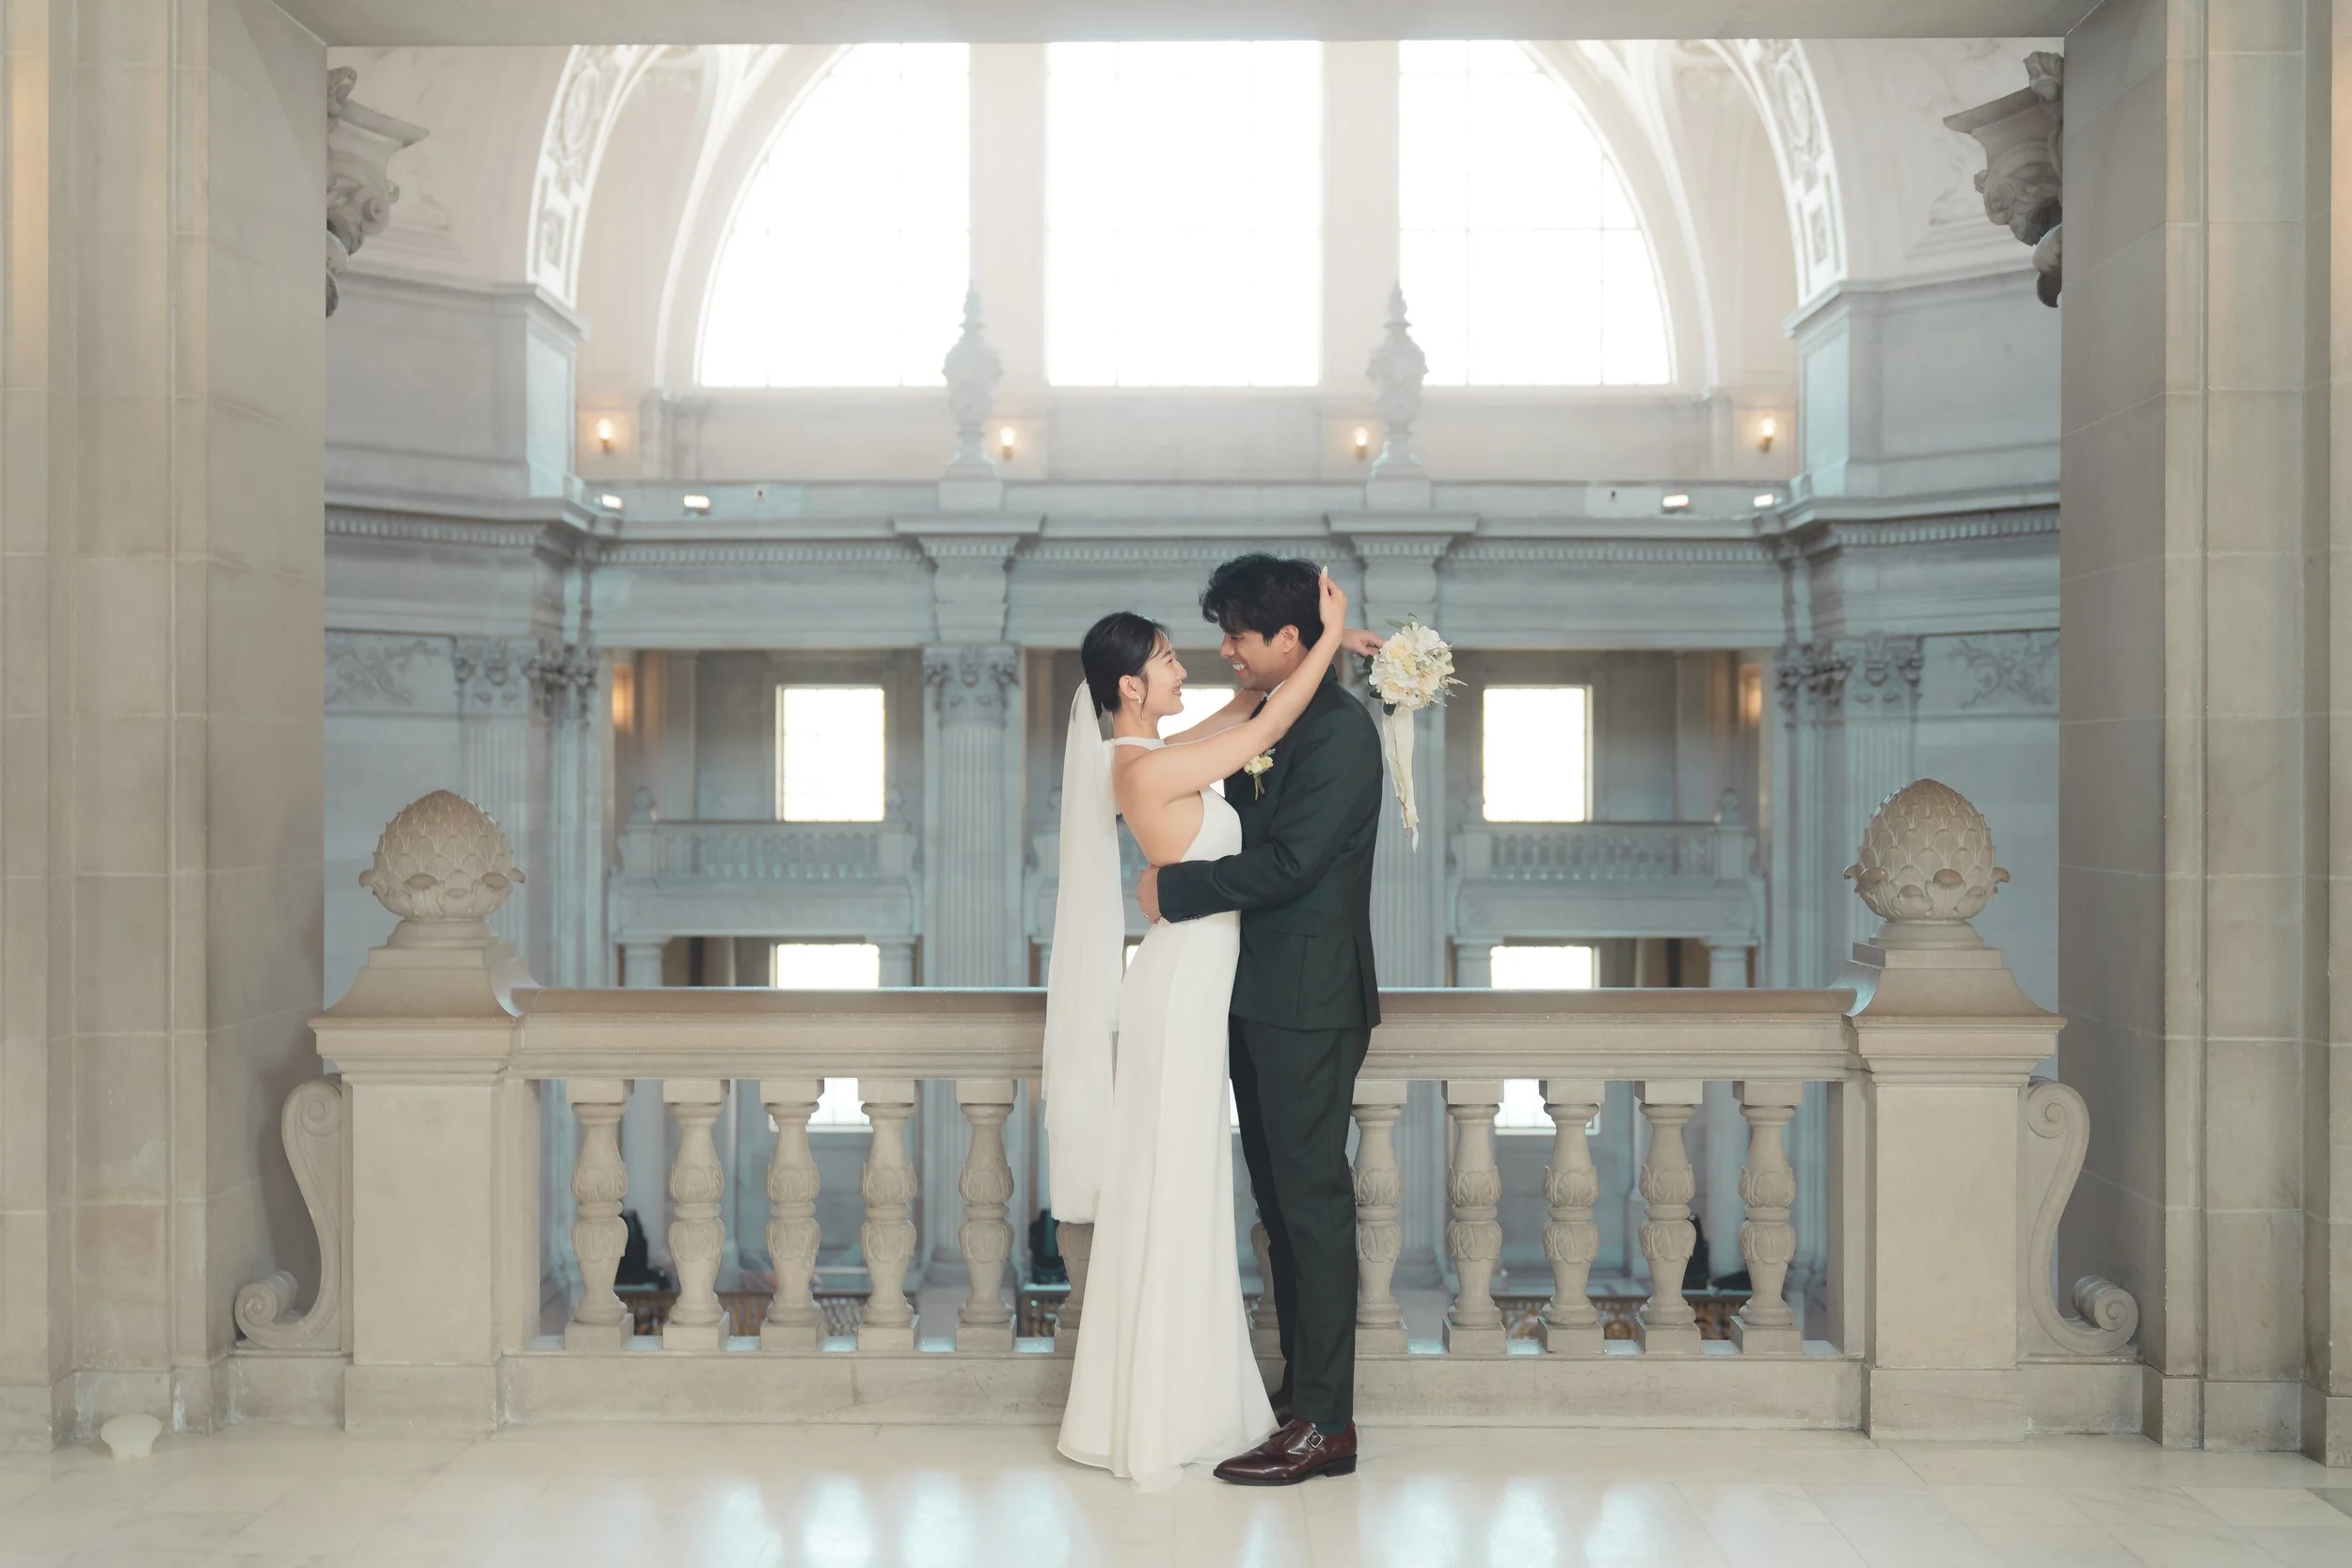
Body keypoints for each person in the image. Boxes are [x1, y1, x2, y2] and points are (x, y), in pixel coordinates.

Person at [1050, 567, 1372, 1492]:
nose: (1205, 658)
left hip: (1263, 988)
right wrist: (1317, 647)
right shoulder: (1146, 759)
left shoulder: (1185, 740)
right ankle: (1236, 1398)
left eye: (1234, 634)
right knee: (1214, 1188)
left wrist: (1323, 651)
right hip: (1201, 983)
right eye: (1171, 657)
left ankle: (1305, 1413)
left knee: (1272, 1198)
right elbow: (1260, 726)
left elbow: (1267, 772)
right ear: (1128, 688)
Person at [1138, 553, 1386, 1486]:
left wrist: (1173, 888)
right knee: (1281, 1212)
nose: (1225, 649)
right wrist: (1332, 644)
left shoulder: (1338, 738)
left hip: (1309, 1003)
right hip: (1253, 996)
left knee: (1313, 1208)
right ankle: (1303, 1396)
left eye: (1238, 635)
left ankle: (1328, 1422)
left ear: (1288, 638)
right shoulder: (1276, 714)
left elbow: (1288, 865)